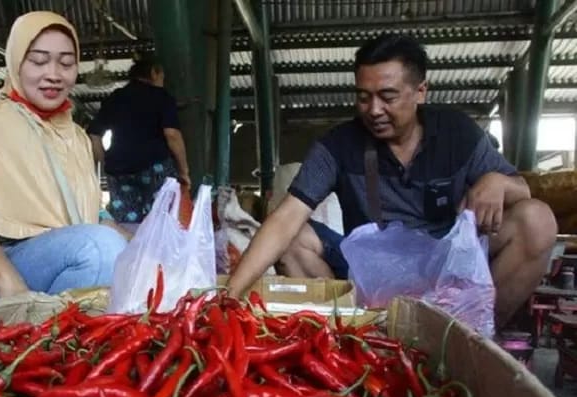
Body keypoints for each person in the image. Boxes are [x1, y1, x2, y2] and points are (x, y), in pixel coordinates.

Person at [228, 34, 557, 330]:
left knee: (536, 220)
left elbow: (522, 190)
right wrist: (227, 297)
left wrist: (498, 181)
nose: (373, 110)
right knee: (292, 234)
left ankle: (471, 338)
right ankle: (347, 334)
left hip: (446, 268)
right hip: (369, 276)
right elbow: (286, 217)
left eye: (387, 96)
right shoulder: (338, 145)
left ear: (420, 92)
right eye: (363, 97)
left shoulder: (458, 133)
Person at [0, 11, 128, 308]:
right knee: (100, 248)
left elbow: (89, 213)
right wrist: (8, 281)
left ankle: (57, 344)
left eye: (66, 63)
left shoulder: (74, 136)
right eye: (38, 61)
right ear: (16, 63)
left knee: (123, 247)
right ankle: (52, 339)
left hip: (57, 262)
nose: (53, 74)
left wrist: (146, 246)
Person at [87, 55, 192, 233]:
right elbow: (172, 135)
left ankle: (130, 257)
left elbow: (93, 134)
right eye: (162, 77)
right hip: (154, 167)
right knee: (163, 220)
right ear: (154, 73)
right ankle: (157, 259)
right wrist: (184, 171)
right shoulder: (161, 96)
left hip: (119, 171)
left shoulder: (115, 98)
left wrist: (103, 162)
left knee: (126, 225)